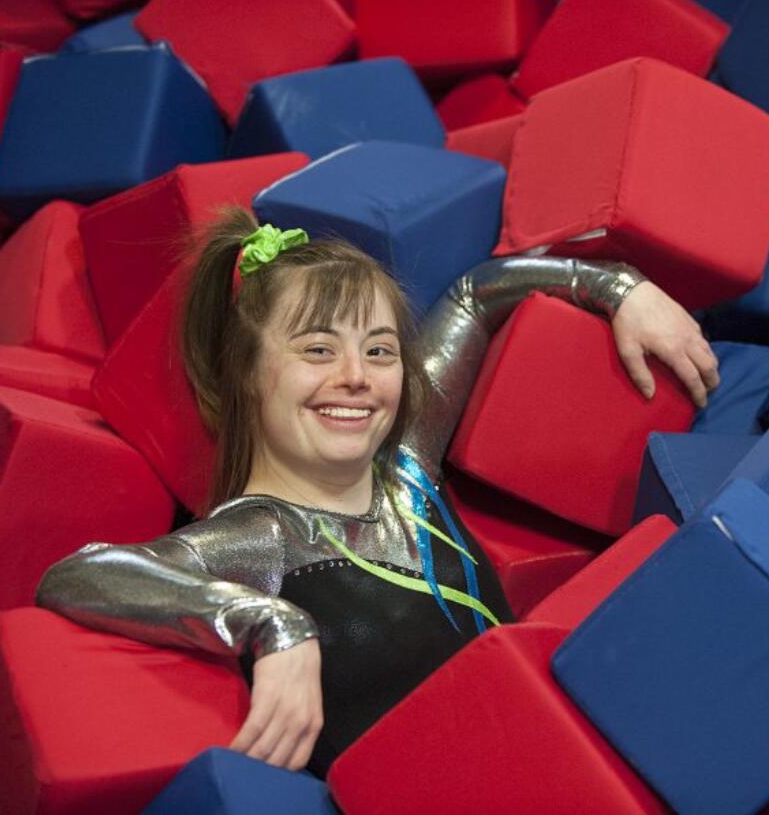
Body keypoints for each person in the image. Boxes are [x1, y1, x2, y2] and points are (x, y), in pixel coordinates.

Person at [36, 207, 720, 778]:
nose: (357, 377)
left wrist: (620, 289)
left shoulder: (410, 470)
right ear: (245, 373)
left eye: (381, 350)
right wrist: (272, 623)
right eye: (317, 350)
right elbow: (79, 574)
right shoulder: (259, 536)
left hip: (552, 770)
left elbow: (476, 296)